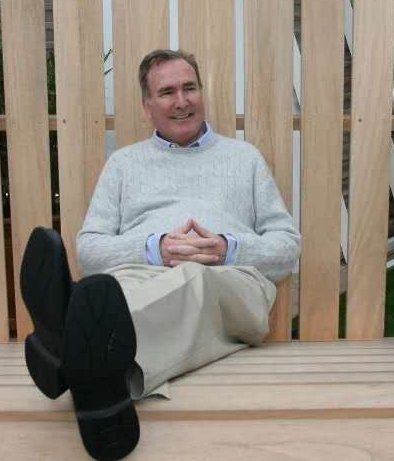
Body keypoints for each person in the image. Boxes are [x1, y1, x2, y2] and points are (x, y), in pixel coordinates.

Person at [18, 49, 301, 460]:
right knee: (115, 294)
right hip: (142, 274)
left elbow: (287, 248)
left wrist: (228, 248)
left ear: (202, 93)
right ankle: (98, 374)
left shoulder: (245, 159)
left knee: (193, 278)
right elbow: (90, 250)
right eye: (167, 92)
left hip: (231, 282)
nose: (181, 101)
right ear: (147, 106)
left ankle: (70, 347)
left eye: (190, 88)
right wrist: (154, 248)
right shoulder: (123, 164)